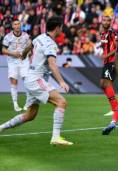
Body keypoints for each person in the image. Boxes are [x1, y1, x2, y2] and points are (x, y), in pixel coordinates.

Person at [0, 16, 73, 146]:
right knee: (61, 102)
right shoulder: (51, 44)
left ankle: (1, 128)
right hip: (36, 79)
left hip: (30, 77)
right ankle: (55, 137)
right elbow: (52, 64)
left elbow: (30, 46)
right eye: (61, 27)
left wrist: (23, 54)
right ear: (57, 28)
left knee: (30, 115)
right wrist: (61, 82)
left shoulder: (40, 37)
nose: (62, 29)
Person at [2, 19, 30, 112]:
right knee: (14, 82)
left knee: (27, 81)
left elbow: (30, 46)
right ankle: (15, 104)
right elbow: (3, 50)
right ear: (13, 26)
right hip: (12, 61)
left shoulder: (26, 36)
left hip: (24, 61)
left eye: (19, 24)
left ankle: (27, 103)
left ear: (20, 25)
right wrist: (13, 53)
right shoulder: (8, 37)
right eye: (15, 24)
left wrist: (25, 54)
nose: (17, 26)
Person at [98, 15, 118, 116]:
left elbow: (117, 48)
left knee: (107, 84)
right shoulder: (102, 34)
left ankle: (115, 109)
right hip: (107, 62)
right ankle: (116, 107)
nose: (106, 22)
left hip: (112, 61)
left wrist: (107, 54)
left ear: (110, 22)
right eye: (104, 20)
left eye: (108, 20)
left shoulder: (112, 32)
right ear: (102, 21)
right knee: (103, 84)